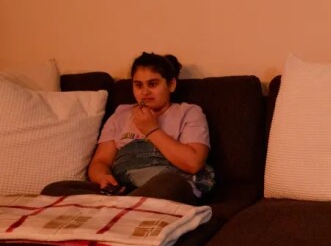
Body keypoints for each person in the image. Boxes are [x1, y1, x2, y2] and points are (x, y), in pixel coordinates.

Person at [42, 52, 213, 205]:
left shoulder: (189, 112)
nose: (145, 92)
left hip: (165, 187)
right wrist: (103, 177)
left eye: (152, 84)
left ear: (171, 84)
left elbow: (193, 164)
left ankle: (117, 207)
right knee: (54, 190)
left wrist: (152, 130)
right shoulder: (121, 114)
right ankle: (123, 206)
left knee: (169, 184)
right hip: (124, 188)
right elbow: (100, 161)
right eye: (138, 85)